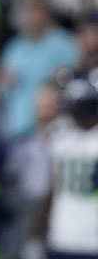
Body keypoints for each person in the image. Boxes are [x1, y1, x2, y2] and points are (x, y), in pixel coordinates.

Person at [40, 72, 98, 258]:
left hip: (88, 239)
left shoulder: (61, 138)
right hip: (63, 236)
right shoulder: (61, 137)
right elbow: (51, 188)